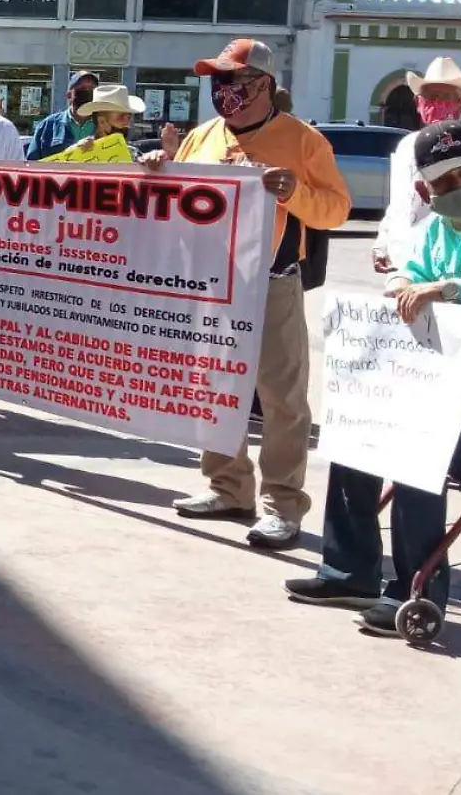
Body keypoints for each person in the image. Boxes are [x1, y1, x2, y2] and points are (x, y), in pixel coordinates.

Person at [286, 121, 461, 636]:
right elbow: (410, 271)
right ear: (425, 189)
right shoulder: (437, 226)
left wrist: (454, 288)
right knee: (359, 427)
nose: (458, 188)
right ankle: (348, 570)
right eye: (444, 181)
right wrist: (401, 280)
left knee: (418, 441)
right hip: (447, 374)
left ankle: (415, 588)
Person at [141, 38, 350, 549]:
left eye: (233, 80)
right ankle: (228, 486)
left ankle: (282, 504)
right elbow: (180, 199)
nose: (223, 89)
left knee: (282, 399)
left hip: (272, 282)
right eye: (218, 79)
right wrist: (158, 170)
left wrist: (293, 192)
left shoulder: (302, 141)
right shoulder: (203, 136)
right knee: (213, 388)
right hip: (212, 284)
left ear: (263, 85)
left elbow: (336, 210)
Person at [372, 58, 461, 275]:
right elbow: (398, 203)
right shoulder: (406, 145)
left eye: (444, 97)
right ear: (417, 103)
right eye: (429, 97)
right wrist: (382, 242)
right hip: (404, 259)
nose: (435, 103)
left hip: (457, 263)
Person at [29, 72, 99, 159]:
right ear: (69, 95)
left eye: (92, 89)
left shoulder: (105, 124)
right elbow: (32, 162)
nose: (88, 92)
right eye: (82, 89)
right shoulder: (49, 125)